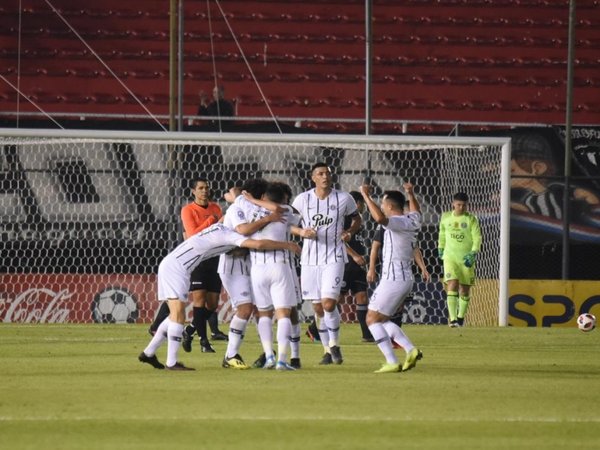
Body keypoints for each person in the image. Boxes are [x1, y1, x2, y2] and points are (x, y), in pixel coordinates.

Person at [138, 222, 300, 371]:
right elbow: (257, 244)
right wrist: (287, 245)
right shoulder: (230, 235)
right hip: (177, 268)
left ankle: (149, 353)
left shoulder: (219, 226)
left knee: (174, 315)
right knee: (178, 314)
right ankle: (171, 363)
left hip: (174, 264)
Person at [291, 162, 362, 365]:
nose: (325, 176)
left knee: (329, 303)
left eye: (327, 173)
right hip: (310, 260)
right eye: (320, 173)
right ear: (313, 177)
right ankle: (327, 351)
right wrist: (302, 232)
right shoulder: (303, 199)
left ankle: (334, 344)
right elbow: (289, 225)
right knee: (318, 309)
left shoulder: (344, 198)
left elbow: (357, 219)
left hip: (334, 257)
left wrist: (349, 232)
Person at [148, 178, 228, 348]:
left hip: (214, 257)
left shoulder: (216, 208)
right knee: (198, 300)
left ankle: (190, 330)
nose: (204, 191)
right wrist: (211, 222)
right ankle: (204, 341)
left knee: (212, 303)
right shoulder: (187, 210)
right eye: (200, 188)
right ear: (193, 191)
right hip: (196, 259)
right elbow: (192, 235)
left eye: (206, 187)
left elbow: (220, 231)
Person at [218, 179, 284, 369]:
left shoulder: (255, 209)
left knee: (262, 310)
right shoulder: (237, 209)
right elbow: (243, 230)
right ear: (262, 196)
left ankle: (267, 352)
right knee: (245, 309)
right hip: (233, 266)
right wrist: (267, 220)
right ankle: (230, 355)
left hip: (252, 264)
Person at [359, 183, 423, 373]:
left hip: (393, 279)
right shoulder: (413, 219)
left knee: (371, 319)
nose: (381, 206)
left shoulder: (398, 222)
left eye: (383, 203)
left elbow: (378, 218)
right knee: (383, 319)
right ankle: (411, 350)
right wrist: (411, 194)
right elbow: (416, 210)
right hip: (403, 278)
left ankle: (392, 361)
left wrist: (365, 196)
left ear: (390, 206)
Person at [247, 182, 302, 371]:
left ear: (264, 197)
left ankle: (269, 356)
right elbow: (296, 218)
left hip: (257, 268)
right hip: (279, 266)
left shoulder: (251, 212)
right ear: (284, 199)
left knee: (264, 313)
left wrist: (250, 199)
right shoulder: (285, 210)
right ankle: (282, 360)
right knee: (283, 313)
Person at [438, 192, 482, 328]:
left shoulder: (471, 219)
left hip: (466, 258)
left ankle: (460, 317)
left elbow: (477, 238)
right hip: (450, 257)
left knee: (465, 289)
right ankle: (452, 320)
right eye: (458, 205)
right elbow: (442, 234)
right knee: (452, 283)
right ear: (453, 204)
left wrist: (473, 253)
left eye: (464, 205)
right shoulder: (445, 217)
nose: (461, 208)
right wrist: (440, 247)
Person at [340, 191, 372, 342]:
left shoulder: (359, 221)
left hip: (358, 266)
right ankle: (315, 329)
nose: (364, 207)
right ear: (356, 203)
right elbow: (339, 240)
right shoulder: (345, 219)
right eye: (362, 203)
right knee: (335, 300)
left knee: (362, 297)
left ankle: (366, 335)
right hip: (346, 264)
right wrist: (354, 255)